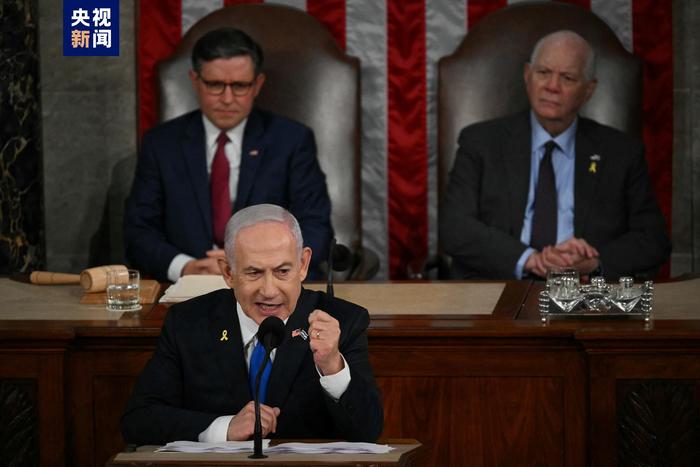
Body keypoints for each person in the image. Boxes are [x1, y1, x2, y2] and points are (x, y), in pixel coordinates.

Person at [121, 204, 383, 445]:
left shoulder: (343, 321)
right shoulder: (188, 323)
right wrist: (224, 429)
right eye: (254, 272)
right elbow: (139, 420)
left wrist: (333, 367)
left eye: (282, 271)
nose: (269, 291)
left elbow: (367, 433)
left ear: (303, 265)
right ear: (228, 272)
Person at [440, 30, 670, 281]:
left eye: (568, 78)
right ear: (528, 76)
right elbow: (454, 227)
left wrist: (594, 263)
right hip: (498, 286)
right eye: (544, 73)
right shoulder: (481, 142)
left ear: (589, 90)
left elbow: (653, 239)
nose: (552, 86)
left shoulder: (620, 152)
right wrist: (529, 259)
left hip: (584, 295)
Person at [124, 27, 332, 282]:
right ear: (194, 80)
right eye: (214, 85)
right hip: (189, 287)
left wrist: (256, 266)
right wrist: (186, 267)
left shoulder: (292, 141)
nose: (227, 98)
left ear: (258, 85)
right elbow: (138, 231)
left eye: (240, 86)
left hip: (271, 284)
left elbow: (316, 227)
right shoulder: (162, 144)